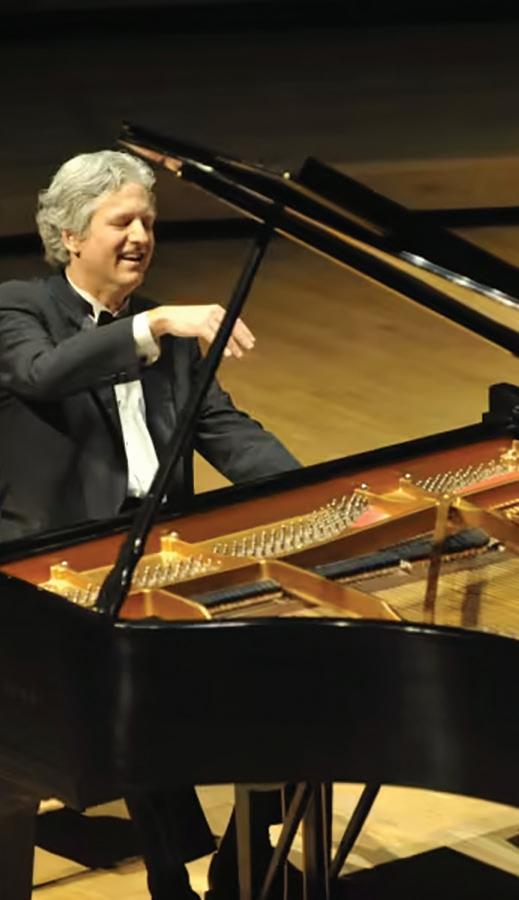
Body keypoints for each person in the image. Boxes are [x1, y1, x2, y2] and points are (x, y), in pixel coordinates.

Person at [0, 150, 301, 899]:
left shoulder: (161, 332)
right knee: (135, 706)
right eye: (122, 222)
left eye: (149, 222)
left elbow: (225, 430)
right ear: (71, 235)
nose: (140, 236)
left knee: (286, 677)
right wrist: (153, 324)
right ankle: (171, 876)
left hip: (163, 551)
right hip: (57, 566)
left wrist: (321, 496)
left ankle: (245, 856)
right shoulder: (18, 308)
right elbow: (42, 373)